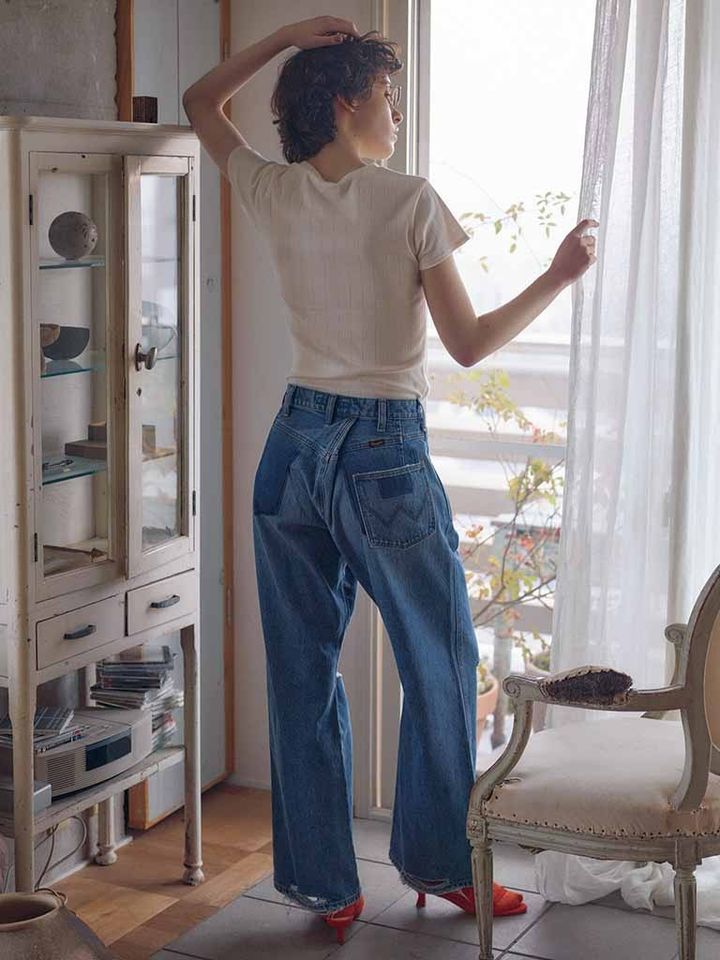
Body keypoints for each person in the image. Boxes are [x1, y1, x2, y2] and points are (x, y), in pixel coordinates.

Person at [183, 15, 598, 945]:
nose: (397, 113)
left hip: (293, 446)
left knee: (301, 672)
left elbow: (200, 101)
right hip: (382, 452)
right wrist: (558, 275)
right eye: (386, 95)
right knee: (441, 662)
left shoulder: (273, 188)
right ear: (345, 103)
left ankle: (324, 886)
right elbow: (469, 343)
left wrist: (285, 37)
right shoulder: (410, 200)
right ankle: (442, 866)